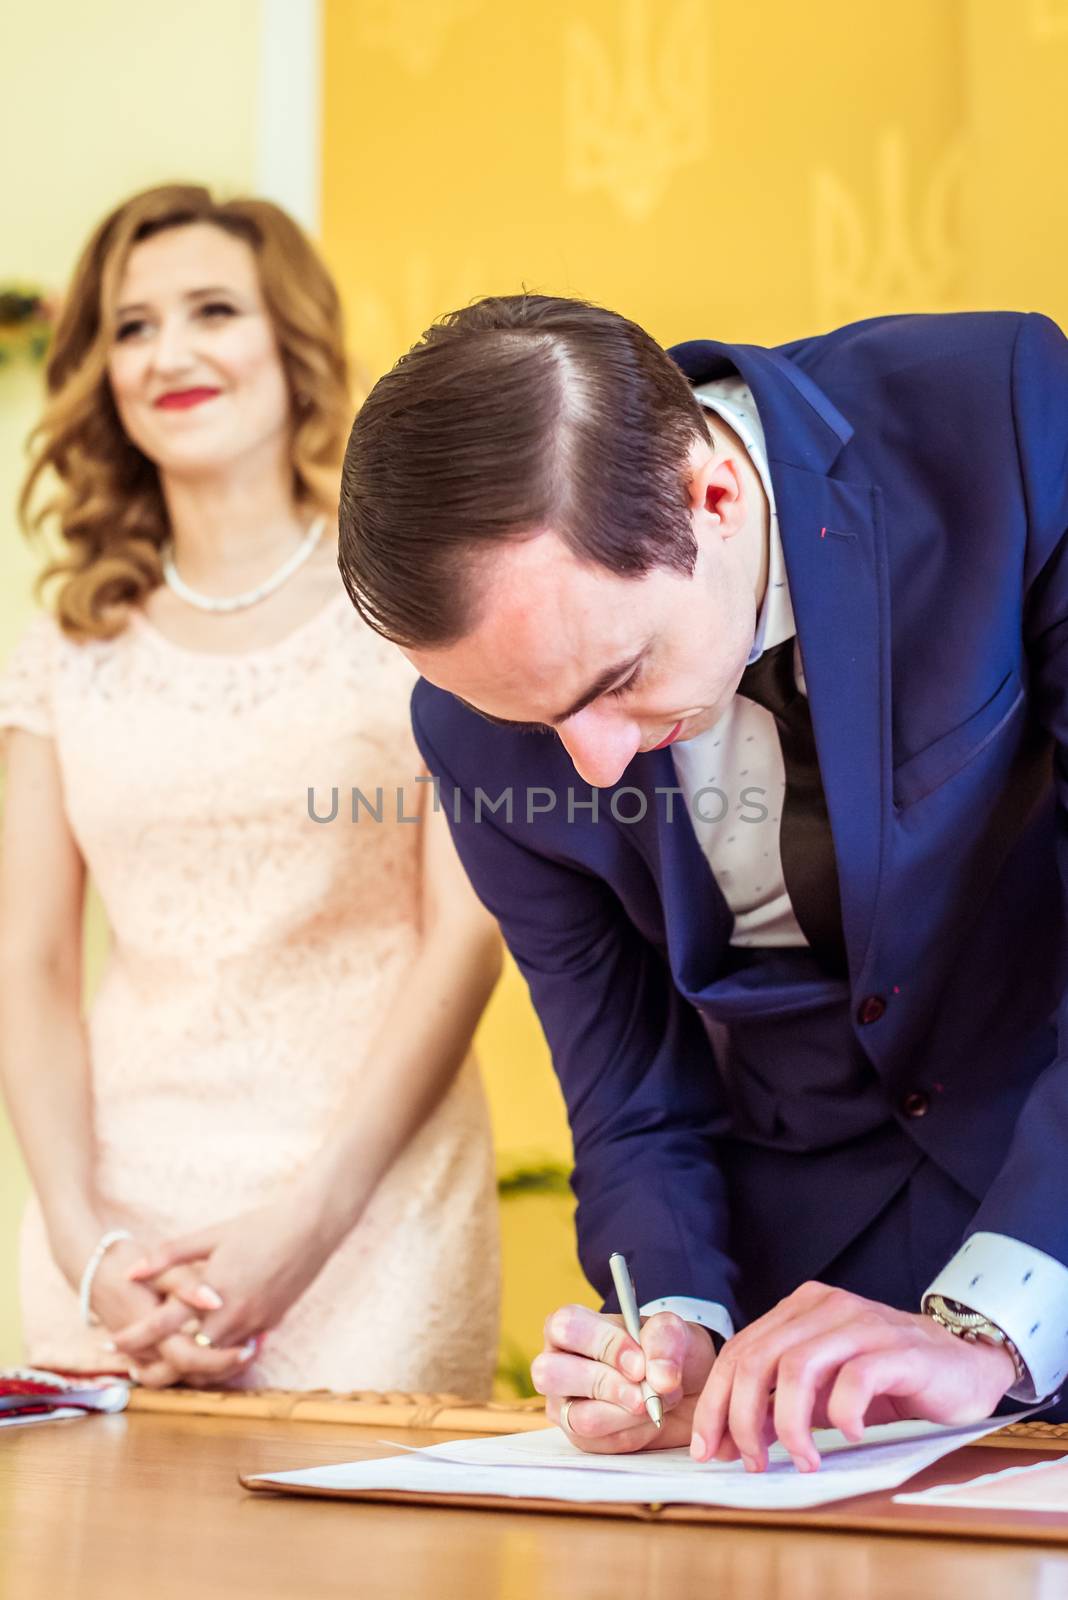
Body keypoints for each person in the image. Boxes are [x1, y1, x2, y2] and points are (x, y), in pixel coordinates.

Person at [337, 292, 1068, 1469]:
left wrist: (992, 1318)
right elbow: (626, 1085)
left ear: (711, 496)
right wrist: (676, 1319)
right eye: (533, 719)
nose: (591, 760)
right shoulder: (473, 728)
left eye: (616, 678)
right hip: (799, 1348)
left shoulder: (1002, 418)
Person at [0, 184, 502, 1396]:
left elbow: (467, 934)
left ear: (290, 340)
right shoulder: (63, 646)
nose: (168, 352)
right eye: (129, 326)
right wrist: (78, 1234)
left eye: (212, 310)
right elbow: (32, 961)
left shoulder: (408, 610)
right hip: (122, 1226)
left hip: (372, 1213)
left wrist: (312, 1223)